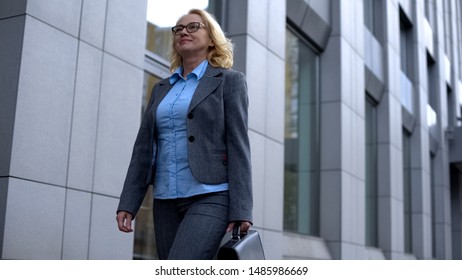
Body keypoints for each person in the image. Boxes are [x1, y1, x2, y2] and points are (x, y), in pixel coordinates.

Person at [116, 8, 253, 260]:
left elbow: (238, 145)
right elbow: (143, 150)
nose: (183, 32)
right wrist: (128, 202)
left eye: (193, 27)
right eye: (178, 29)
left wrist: (242, 209)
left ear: (212, 38)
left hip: (211, 194)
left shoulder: (229, 81)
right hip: (165, 198)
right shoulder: (161, 88)